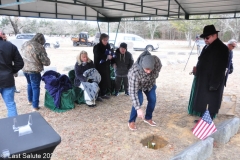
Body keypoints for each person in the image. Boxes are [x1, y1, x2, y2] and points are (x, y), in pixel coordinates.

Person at [188, 25, 229, 120]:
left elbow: (220, 68)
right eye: (204, 38)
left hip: (212, 81)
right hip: (204, 80)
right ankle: (203, 119)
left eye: (207, 37)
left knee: (210, 103)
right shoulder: (208, 46)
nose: (205, 40)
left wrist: (214, 84)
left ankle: (206, 122)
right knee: (203, 101)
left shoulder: (221, 48)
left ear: (215, 35)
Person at [128, 51, 162, 130]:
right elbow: (132, 93)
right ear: (142, 66)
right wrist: (138, 108)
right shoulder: (134, 72)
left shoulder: (156, 61)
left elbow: (158, 69)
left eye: (151, 69)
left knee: (152, 99)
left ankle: (148, 118)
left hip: (150, 84)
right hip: (138, 86)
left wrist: (153, 78)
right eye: (146, 69)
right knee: (139, 100)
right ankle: (131, 121)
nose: (149, 71)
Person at [21, 33, 51, 111]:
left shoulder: (25, 44)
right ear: (41, 40)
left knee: (29, 84)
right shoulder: (39, 46)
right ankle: (35, 106)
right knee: (35, 87)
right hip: (34, 70)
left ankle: (30, 100)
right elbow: (46, 62)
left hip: (24, 68)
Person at [0, 31, 24, 117]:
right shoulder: (10, 46)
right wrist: (11, 71)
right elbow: (20, 63)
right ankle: (13, 127)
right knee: (10, 104)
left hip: (7, 78)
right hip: (7, 79)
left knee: (10, 104)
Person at [93, 33, 112, 99]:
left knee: (105, 80)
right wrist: (106, 56)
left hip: (106, 66)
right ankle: (98, 95)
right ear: (101, 40)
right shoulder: (97, 47)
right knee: (99, 80)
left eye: (107, 40)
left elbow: (110, 52)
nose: (106, 41)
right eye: (104, 40)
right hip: (99, 66)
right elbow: (98, 56)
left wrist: (111, 56)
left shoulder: (108, 46)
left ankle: (103, 93)